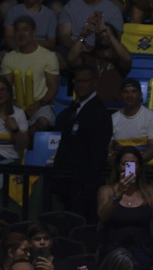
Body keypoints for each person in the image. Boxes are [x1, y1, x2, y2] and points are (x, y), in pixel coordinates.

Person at [97, 146, 153, 270]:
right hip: (113, 253)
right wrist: (118, 194)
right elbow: (103, 216)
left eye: (134, 164)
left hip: (142, 254)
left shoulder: (150, 193)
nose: (129, 168)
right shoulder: (107, 191)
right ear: (118, 166)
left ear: (139, 167)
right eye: (125, 164)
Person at [52, 65, 113, 215]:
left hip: (84, 185)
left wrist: (87, 184)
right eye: (77, 81)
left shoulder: (99, 112)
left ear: (94, 82)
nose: (80, 85)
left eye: (84, 81)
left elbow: (97, 153)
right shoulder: (74, 107)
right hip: (66, 181)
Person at [0, 16, 58, 137]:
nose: (21, 34)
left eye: (25, 29)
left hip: (41, 104)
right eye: (18, 30)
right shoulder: (9, 58)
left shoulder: (48, 56)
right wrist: (13, 102)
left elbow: (53, 87)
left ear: (34, 31)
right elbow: (6, 86)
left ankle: (27, 141)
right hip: (16, 104)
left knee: (42, 122)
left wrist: (40, 103)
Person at [65, 20, 131, 102]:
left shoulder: (118, 60)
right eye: (100, 33)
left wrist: (110, 35)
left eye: (106, 32)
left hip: (113, 107)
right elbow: (71, 59)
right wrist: (83, 36)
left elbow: (127, 59)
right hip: (89, 106)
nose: (103, 35)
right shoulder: (89, 57)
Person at [0, 76, 27, 197]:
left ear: (9, 93)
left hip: (10, 161)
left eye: (3, 90)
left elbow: (23, 145)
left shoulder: (18, 114)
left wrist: (15, 130)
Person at [110, 78, 153, 164]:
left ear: (140, 95)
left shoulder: (151, 117)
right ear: (121, 95)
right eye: (125, 92)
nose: (129, 95)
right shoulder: (113, 118)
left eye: (133, 91)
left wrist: (131, 164)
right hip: (119, 166)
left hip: (143, 165)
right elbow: (108, 148)